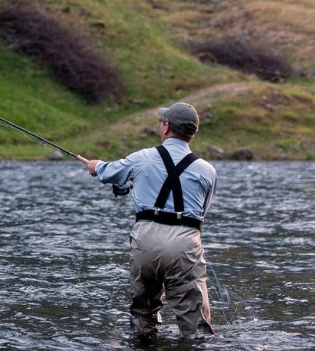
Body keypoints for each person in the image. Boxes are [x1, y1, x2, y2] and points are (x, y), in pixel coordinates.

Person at [76, 102, 217, 339]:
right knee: (195, 322)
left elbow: (107, 172)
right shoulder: (207, 170)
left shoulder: (143, 158)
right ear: (192, 133)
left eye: (161, 121)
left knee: (144, 310)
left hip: (146, 238)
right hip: (185, 241)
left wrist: (94, 166)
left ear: (166, 127)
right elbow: (201, 212)